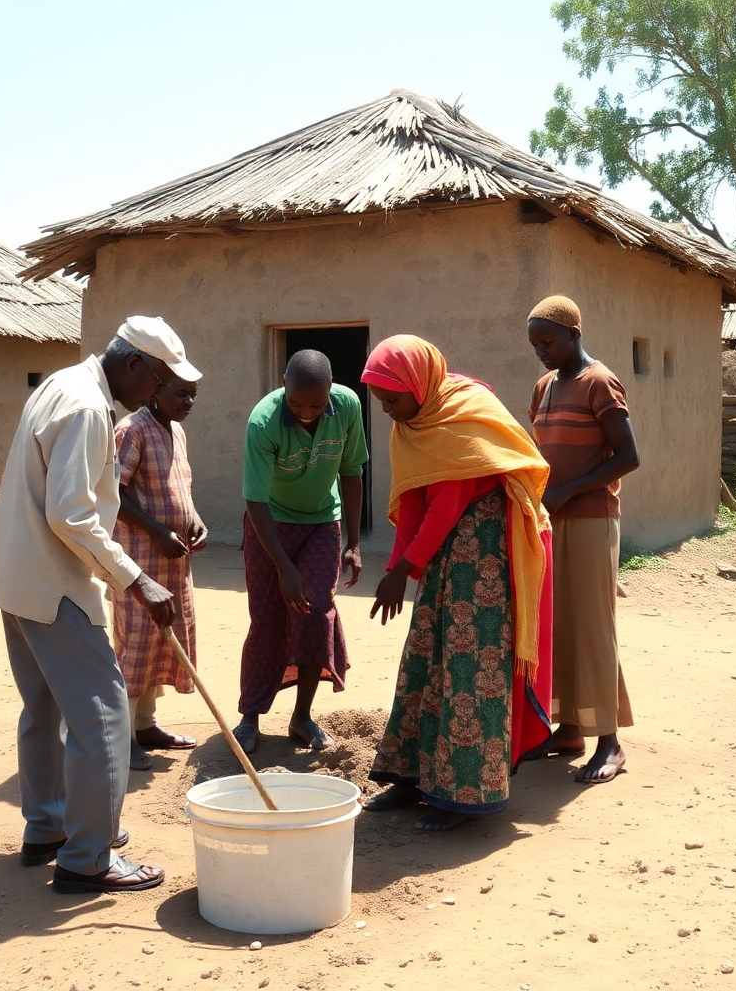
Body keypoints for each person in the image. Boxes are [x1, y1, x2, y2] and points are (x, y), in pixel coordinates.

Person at [0, 316, 185, 894]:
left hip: (18, 577)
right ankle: (88, 857)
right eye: (158, 381)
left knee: (44, 707)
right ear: (135, 364)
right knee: (105, 715)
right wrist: (137, 578)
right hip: (53, 583)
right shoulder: (91, 409)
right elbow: (71, 514)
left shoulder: (61, 383)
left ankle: (47, 828)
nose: (155, 396)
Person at [361, 334, 554, 831]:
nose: (386, 410)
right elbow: (414, 504)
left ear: (417, 384)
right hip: (444, 551)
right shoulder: (412, 424)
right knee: (426, 655)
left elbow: (450, 500)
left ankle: (463, 792)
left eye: (392, 398)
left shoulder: (461, 414)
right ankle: (411, 777)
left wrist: (405, 568)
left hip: (486, 549)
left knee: (473, 665)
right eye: (380, 400)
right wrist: (394, 572)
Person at [525, 295, 639, 784]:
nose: (541, 351)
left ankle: (609, 742)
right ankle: (568, 727)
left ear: (574, 333)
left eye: (547, 341)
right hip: (553, 519)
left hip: (591, 517)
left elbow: (628, 456)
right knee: (559, 622)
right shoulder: (545, 386)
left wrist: (569, 490)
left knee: (593, 625)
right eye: (535, 344)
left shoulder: (600, 382)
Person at [233, 349, 368, 755]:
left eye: (316, 403)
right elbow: (255, 501)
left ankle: (302, 717)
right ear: (283, 385)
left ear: (330, 391)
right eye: (296, 403)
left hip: (323, 523)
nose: (307, 412)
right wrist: (284, 568)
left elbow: (352, 470)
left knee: (315, 613)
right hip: (269, 525)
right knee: (268, 619)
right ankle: (250, 717)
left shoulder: (347, 406)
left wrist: (355, 543)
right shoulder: (263, 422)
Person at [112, 333, 207, 771]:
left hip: (174, 565)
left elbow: (180, 491)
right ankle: (122, 736)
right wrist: (156, 532)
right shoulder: (132, 430)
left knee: (160, 644)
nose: (188, 401)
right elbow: (113, 493)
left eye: (193, 394)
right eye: (180, 393)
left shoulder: (178, 432)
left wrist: (195, 523)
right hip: (140, 563)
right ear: (156, 390)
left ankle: (146, 725)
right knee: (134, 646)